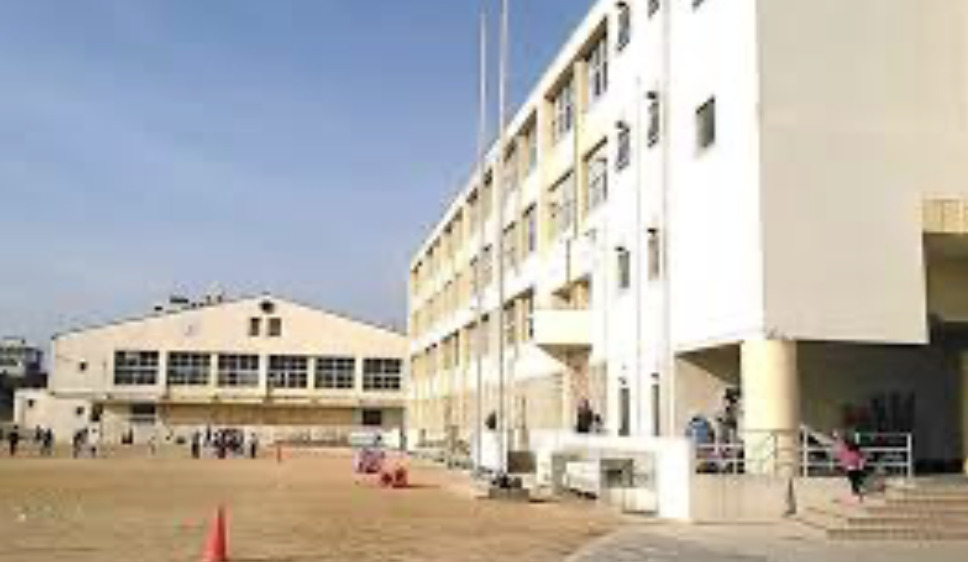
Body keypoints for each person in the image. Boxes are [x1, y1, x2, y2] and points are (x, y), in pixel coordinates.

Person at [837, 436, 867, 501]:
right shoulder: (848, 451)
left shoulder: (853, 451)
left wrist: (861, 465)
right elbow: (862, 458)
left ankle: (857, 491)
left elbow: (862, 458)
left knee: (855, 481)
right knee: (855, 480)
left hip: (854, 468)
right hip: (852, 468)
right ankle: (857, 491)